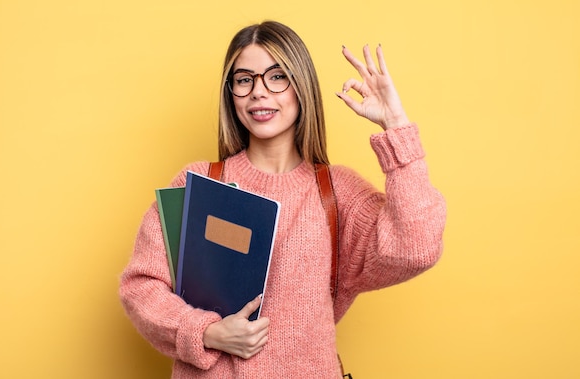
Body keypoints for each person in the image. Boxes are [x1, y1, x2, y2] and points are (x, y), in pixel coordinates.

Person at [119, 20, 446, 378]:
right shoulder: (198, 183)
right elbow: (141, 287)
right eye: (244, 80)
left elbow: (416, 248)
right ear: (231, 93)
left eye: (276, 76)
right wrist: (206, 333)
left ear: (300, 85)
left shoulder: (338, 193)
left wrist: (395, 126)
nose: (259, 92)